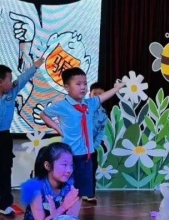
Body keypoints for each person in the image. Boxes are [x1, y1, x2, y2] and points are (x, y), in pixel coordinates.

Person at [40, 68, 124, 202]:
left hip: (87, 155)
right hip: (70, 155)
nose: (83, 87)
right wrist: (58, 128)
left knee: (81, 191)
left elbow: (104, 96)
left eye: (85, 83)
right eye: (78, 84)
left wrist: (117, 88)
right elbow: (44, 114)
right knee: (67, 190)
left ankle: (76, 211)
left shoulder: (90, 103)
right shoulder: (62, 105)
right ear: (67, 87)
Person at [0, 57, 44, 216]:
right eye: (9, 79)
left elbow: (23, 79)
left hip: (5, 138)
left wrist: (34, 67)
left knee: (5, 172)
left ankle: (5, 205)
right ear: (0, 82)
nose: (12, 82)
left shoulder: (11, 92)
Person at [83, 82, 109, 204]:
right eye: (95, 94)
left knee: (91, 170)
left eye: (101, 94)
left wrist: (94, 145)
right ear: (90, 94)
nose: (98, 96)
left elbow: (101, 131)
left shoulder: (103, 113)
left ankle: (90, 194)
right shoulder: (83, 107)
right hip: (77, 146)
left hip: (91, 148)